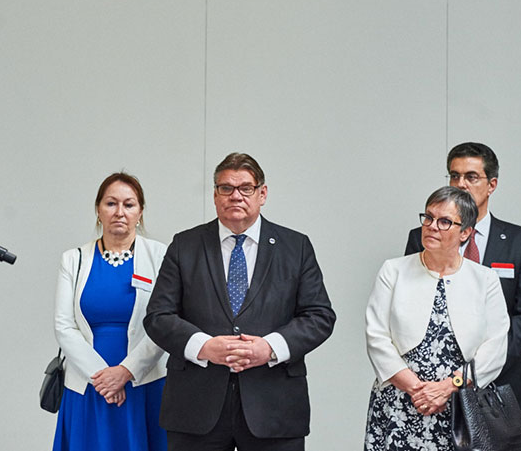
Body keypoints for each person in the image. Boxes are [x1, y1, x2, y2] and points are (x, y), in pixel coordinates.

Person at [144, 152, 335, 451]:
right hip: (195, 406)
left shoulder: (295, 246)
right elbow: (158, 315)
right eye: (226, 188)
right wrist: (204, 347)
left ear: (262, 194)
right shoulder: (185, 245)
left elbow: (319, 316)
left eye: (245, 188)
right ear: (215, 195)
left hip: (274, 407)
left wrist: (269, 348)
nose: (236, 196)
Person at [366, 186, 509, 450]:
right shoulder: (393, 270)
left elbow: (496, 346)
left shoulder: (485, 279)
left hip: (459, 406)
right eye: (429, 217)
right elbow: (377, 337)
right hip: (401, 403)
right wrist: (418, 391)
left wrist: (447, 388)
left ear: (465, 232)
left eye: (444, 222)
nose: (432, 226)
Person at [404, 142, 521, 412]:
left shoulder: (520, 241)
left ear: (492, 185)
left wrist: (483, 367)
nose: (461, 184)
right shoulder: (422, 237)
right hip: (433, 385)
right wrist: (442, 376)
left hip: (500, 382)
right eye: (454, 176)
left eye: (471, 177)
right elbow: (411, 308)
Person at [52, 172, 168, 451]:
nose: (120, 212)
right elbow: (64, 326)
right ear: (98, 210)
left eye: (129, 205)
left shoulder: (160, 255)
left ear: (140, 212)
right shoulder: (74, 259)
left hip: (144, 382)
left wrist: (126, 372)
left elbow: (166, 323)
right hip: (89, 383)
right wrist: (103, 376)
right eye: (111, 203)